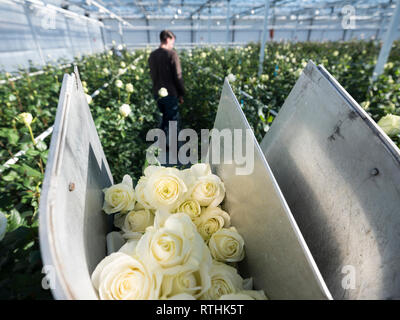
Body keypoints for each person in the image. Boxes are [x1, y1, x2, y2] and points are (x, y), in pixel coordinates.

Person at [148, 30, 185, 138]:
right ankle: (173, 148)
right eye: (172, 42)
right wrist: (181, 93)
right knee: (172, 122)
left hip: (157, 93)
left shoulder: (152, 55)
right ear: (168, 39)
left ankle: (162, 146)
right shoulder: (172, 54)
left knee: (162, 120)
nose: (172, 45)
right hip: (171, 93)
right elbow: (178, 76)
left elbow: (152, 74)